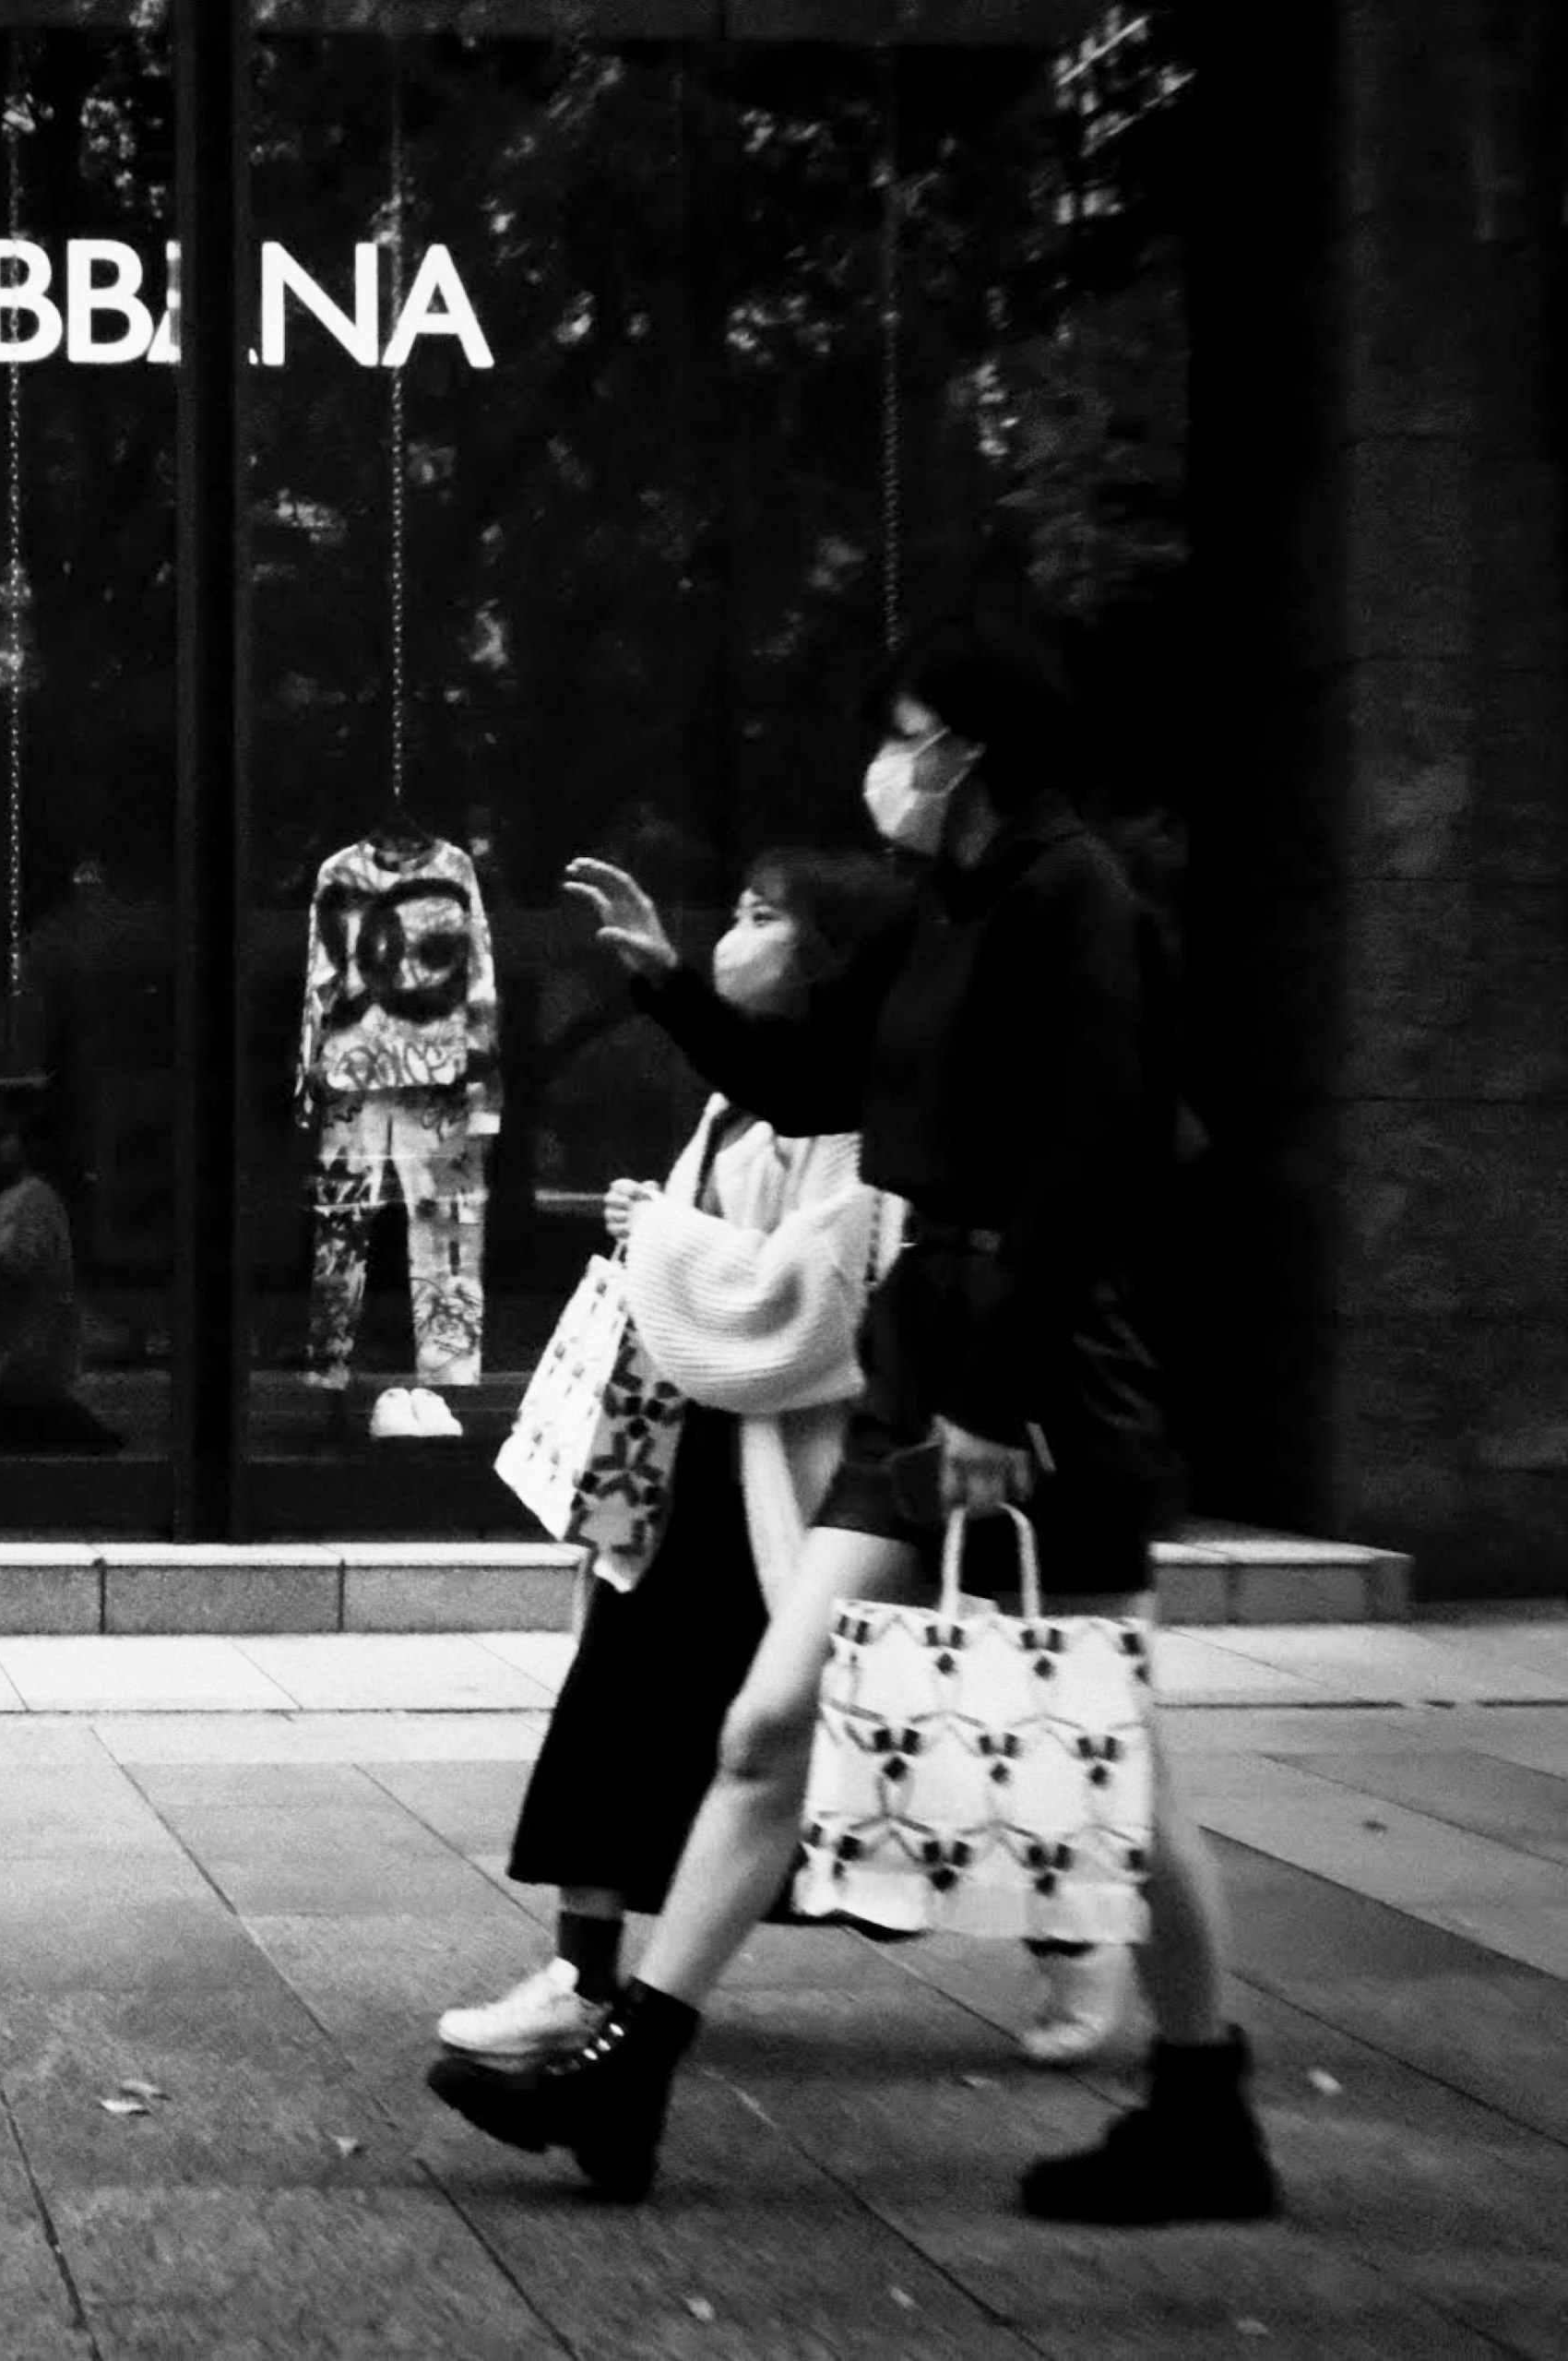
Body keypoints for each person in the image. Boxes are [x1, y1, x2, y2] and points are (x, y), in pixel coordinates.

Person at [430, 612, 1276, 2226]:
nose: (883, 762)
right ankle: (633, 2073)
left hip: (1033, 1377)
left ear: (967, 748)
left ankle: (1204, 2103)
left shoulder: (1070, 896)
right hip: (929, 1361)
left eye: (904, 731)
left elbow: (1091, 1160)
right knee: (765, 1724)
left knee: (1124, 1763)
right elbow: (823, 1088)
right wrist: (667, 983)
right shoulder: (949, 912)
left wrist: (994, 1398)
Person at [437, 847, 920, 2063]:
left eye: (766, 917)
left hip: (771, 1478)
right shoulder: (742, 1091)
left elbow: (810, 1304)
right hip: (689, 1462)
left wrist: (659, 1231)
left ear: (826, 962)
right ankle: (584, 1972)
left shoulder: (853, 1109)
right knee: (627, 1702)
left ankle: (1082, 1951)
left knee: (790, 1735)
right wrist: (659, 1224)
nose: (737, 931)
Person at [0, 1075, 125, 1456]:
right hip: (12, 1359)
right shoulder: (24, 1198)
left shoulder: (32, 1198)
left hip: (15, 1359)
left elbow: (17, 1269)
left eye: (5, 1135)